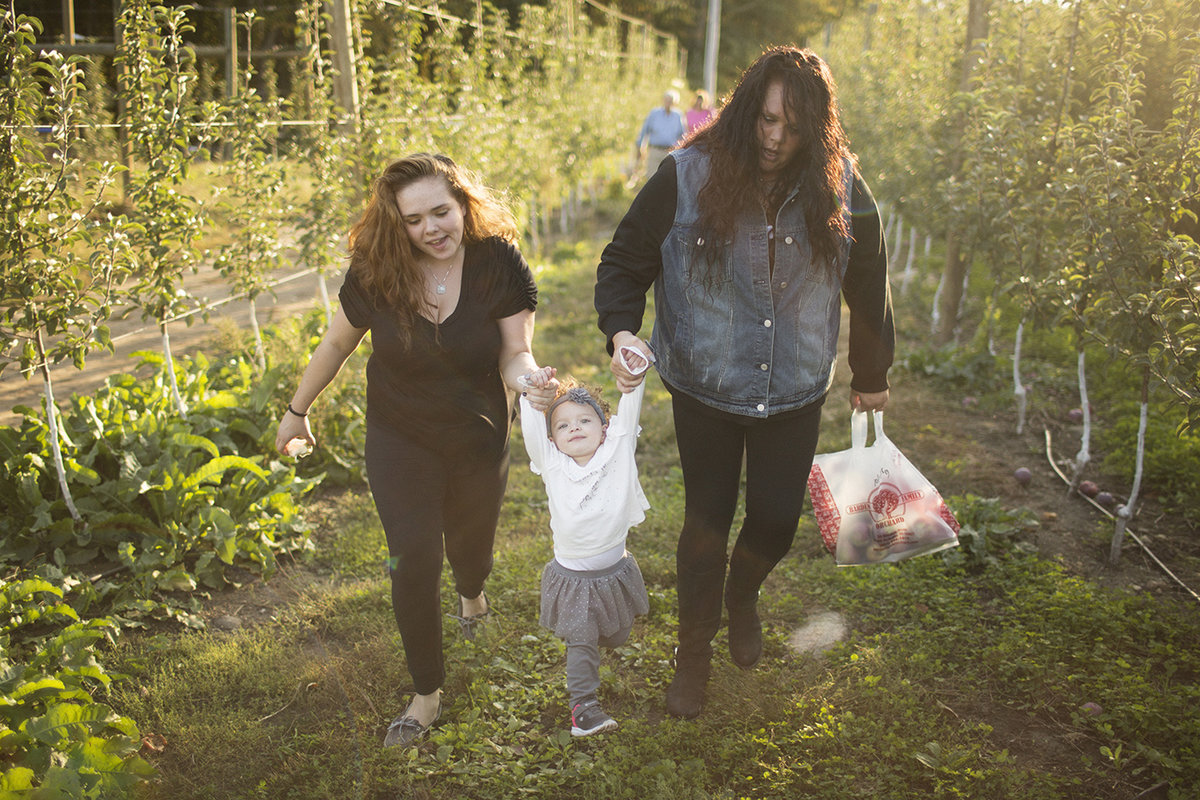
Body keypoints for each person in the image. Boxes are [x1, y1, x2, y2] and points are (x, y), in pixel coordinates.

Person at [594, 46, 894, 719]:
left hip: (794, 386)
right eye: (766, 119)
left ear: (816, 128)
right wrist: (621, 331)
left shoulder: (841, 183)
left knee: (777, 521)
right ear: (744, 111)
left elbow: (869, 275)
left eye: (793, 126)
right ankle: (693, 655)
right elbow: (624, 262)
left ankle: (743, 592)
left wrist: (871, 372)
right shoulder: (685, 174)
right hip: (706, 384)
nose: (775, 138)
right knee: (705, 523)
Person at [275, 153, 557, 749]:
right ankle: (426, 692)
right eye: (413, 219)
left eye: (440, 212)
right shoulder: (379, 268)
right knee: (414, 556)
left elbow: (514, 352)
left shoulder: (496, 261)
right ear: (396, 223)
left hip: (477, 431)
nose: (431, 228)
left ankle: (472, 594)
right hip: (399, 434)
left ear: (462, 205)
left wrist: (529, 380)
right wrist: (298, 410)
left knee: (471, 551)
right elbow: (338, 342)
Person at [517, 349, 652, 737]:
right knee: (582, 643)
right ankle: (584, 708)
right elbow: (533, 429)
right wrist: (532, 393)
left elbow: (630, 406)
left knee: (616, 635)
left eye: (584, 420)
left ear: (604, 428)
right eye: (563, 425)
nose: (574, 428)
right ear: (552, 439)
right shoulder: (553, 464)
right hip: (574, 579)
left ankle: (592, 639)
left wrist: (635, 372)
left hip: (615, 570)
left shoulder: (618, 451)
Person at [634, 89, 686, 179]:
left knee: (667, 179)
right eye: (667, 100)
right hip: (655, 151)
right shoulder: (654, 113)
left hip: (670, 152)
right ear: (663, 100)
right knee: (651, 178)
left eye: (671, 101)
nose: (668, 103)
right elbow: (644, 131)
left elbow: (683, 135)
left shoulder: (678, 115)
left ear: (675, 103)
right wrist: (640, 147)